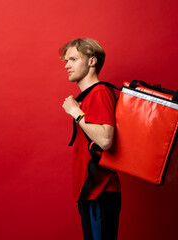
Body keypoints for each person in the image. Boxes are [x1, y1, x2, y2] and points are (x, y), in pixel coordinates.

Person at [60, 38, 121, 240]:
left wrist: (76, 113)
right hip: (90, 192)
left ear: (92, 61)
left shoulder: (100, 92)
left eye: (73, 59)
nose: (67, 65)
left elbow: (105, 140)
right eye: (66, 61)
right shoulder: (87, 96)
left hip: (100, 191)